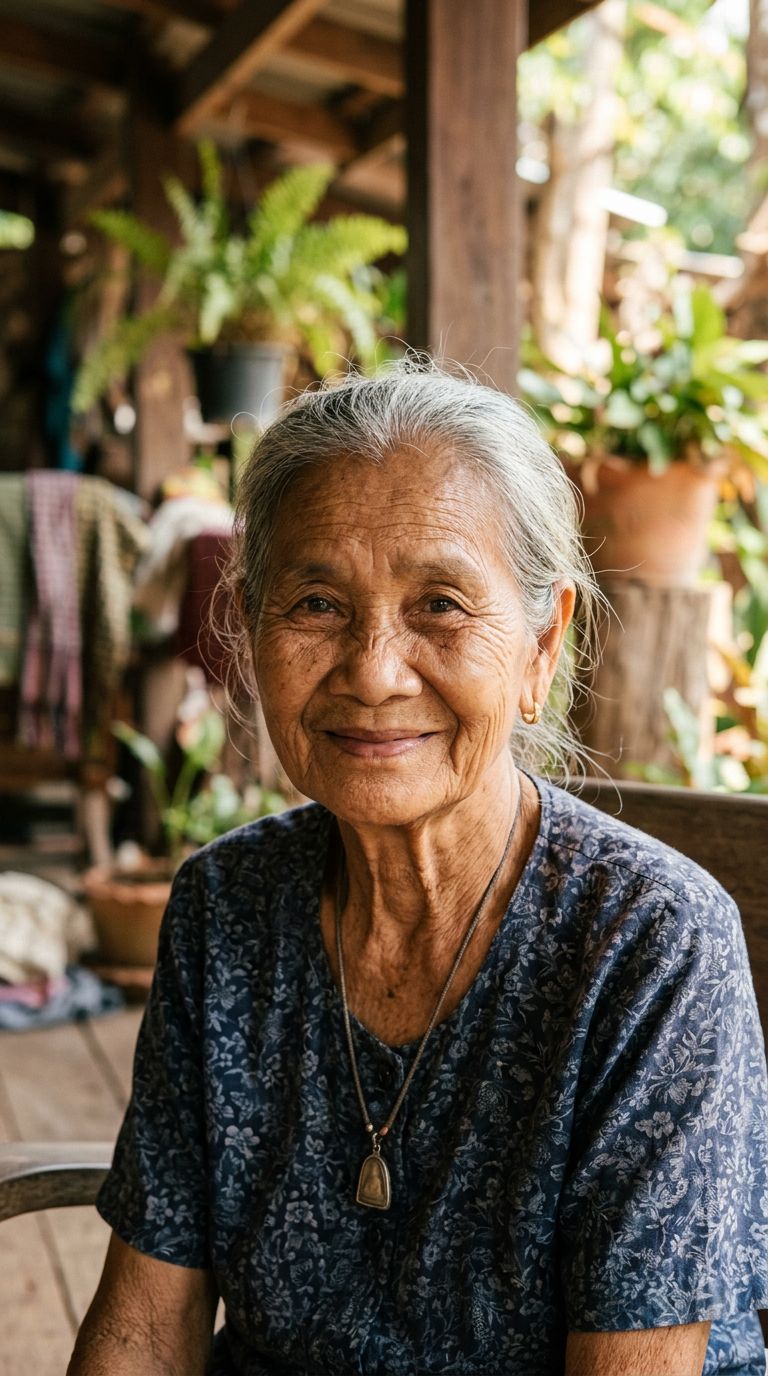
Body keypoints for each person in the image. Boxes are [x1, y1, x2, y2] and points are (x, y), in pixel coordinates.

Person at [68, 360, 768, 1376]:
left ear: (541, 645)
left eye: (440, 602)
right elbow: (144, 1324)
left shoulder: (650, 944)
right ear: (251, 629)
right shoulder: (227, 906)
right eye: (317, 603)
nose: (373, 670)